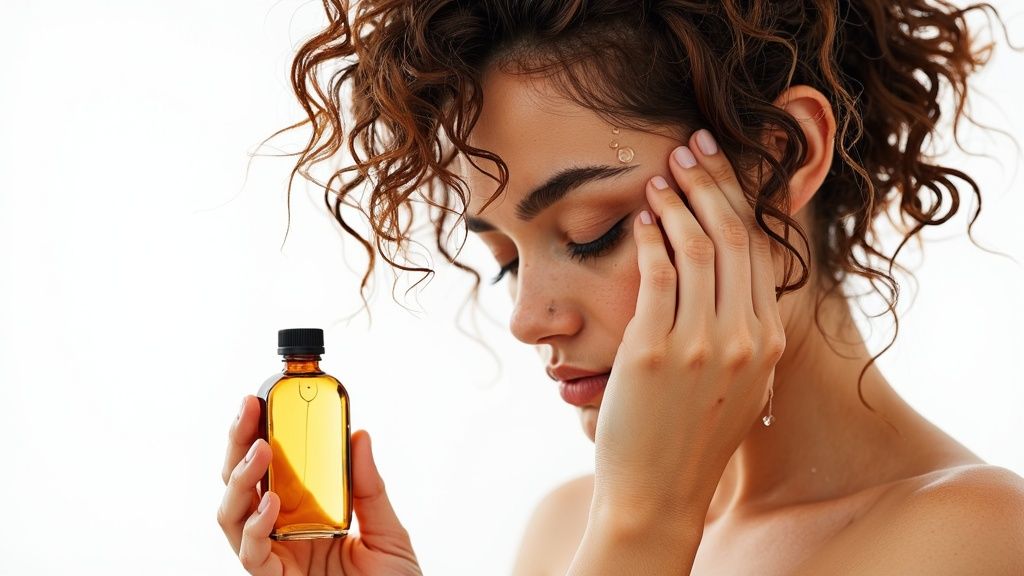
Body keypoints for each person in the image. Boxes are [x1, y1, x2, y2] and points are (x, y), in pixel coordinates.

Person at [217, 0, 1024, 574]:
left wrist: (643, 530)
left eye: (590, 233)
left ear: (778, 158)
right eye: (505, 257)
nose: (528, 319)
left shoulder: (977, 539)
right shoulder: (570, 527)